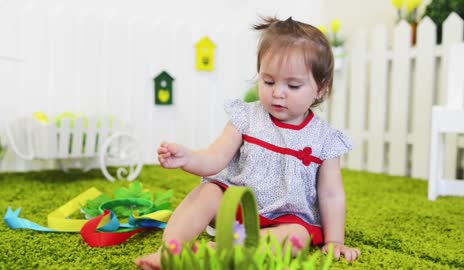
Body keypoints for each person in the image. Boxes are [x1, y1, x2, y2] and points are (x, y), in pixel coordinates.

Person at [135, 16, 360, 269]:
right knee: (209, 191)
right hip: (236, 210)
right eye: (268, 81)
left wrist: (335, 240)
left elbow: (331, 194)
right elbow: (215, 157)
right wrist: (189, 158)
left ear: (321, 89)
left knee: (297, 236)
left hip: (286, 220)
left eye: (293, 85)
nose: (277, 92)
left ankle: (215, 251)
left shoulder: (325, 139)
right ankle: (171, 249)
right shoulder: (247, 117)